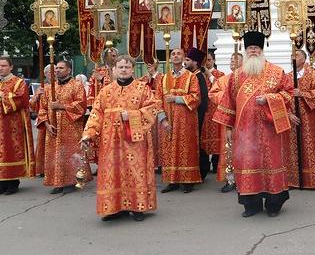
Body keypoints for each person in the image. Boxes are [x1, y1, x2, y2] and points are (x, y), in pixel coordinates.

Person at [213, 31, 295, 217]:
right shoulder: (235, 76)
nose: (253, 52)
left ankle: (274, 204)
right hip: (245, 132)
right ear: (245, 51)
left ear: (261, 50)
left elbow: (288, 94)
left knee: (270, 165)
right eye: (250, 48)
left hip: (270, 130)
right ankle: (252, 205)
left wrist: (269, 98)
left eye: (256, 48)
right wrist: (228, 127)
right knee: (247, 165)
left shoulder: (276, 72)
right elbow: (228, 102)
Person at [82, 55, 164, 221]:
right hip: (110, 141)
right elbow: (96, 114)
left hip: (134, 141)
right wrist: (88, 133)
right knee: (113, 172)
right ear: (114, 70)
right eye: (120, 67)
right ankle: (114, 207)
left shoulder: (142, 89)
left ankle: (137, 207)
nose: (124, 70)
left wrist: (133, 115)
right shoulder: (105, 91)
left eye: (127, 67)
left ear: (132, 69)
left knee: (134, 171)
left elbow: (153, 108)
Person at [37, 60, 89, 193]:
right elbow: (42, 108)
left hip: (71, 127)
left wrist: (62, 106)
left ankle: (73, 182)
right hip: (53, 128)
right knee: (56, 154)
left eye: (61, 68)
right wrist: (46, 123)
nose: (57, 70)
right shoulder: (50, 88)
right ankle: (58, 182)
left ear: (69, 70)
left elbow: (81, 106)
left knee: (71, 154)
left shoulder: (76, 85)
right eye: (56, 68)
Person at [156, 48, 202, 193]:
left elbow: (196, 98)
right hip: (168, 121)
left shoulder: (191, 77)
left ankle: (187, 180)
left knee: (185, 148)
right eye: (173, 54)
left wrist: (177, 99)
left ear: (183, 58)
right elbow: (157, 100)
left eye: (179, 54)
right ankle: (172, 180)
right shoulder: (163, 78)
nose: (175, 56)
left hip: (185, 122)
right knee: (169, 149)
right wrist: (162, 119)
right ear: (170, 58)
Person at [285, 49, 315, 189]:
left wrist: (302, 93)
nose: (293, 58)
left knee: (309, 146)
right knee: (292, 147)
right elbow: (282, 96)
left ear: (304, 59)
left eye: (296, 55)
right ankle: (293, 180)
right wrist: (288, 113)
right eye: (291, 56)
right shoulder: (287, 77)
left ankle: (311, 180)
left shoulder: (313, 74)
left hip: (309, 116)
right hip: (292, 116)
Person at [0, 56, 35, 194]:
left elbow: (21, 99)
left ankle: (13, 182)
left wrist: (2, 96)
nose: (0, 68)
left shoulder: (19, 82)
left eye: (3, 65)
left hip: (12, 125)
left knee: (11, 151)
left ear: (11, 67)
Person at [209, 52, 243, 193]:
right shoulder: (223, 80)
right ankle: (230, 179)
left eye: (236, 60)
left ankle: (245, 179)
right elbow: (212, 94)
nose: (232, 62)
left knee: (245, 149)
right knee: (229, 149)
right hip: (229, 120)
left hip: (244, 120)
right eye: (231, 59)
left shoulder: (247, 79)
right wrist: (228, 97)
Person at [184, 47, 211, 181]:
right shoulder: (189, 75)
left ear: (195, 62)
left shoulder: (198, 76)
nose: (185, 62)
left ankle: (202, 171)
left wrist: (198, 117)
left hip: (197, 116)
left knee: (198, 143)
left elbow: (203, 99)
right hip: (189, 115)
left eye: (188, 60)